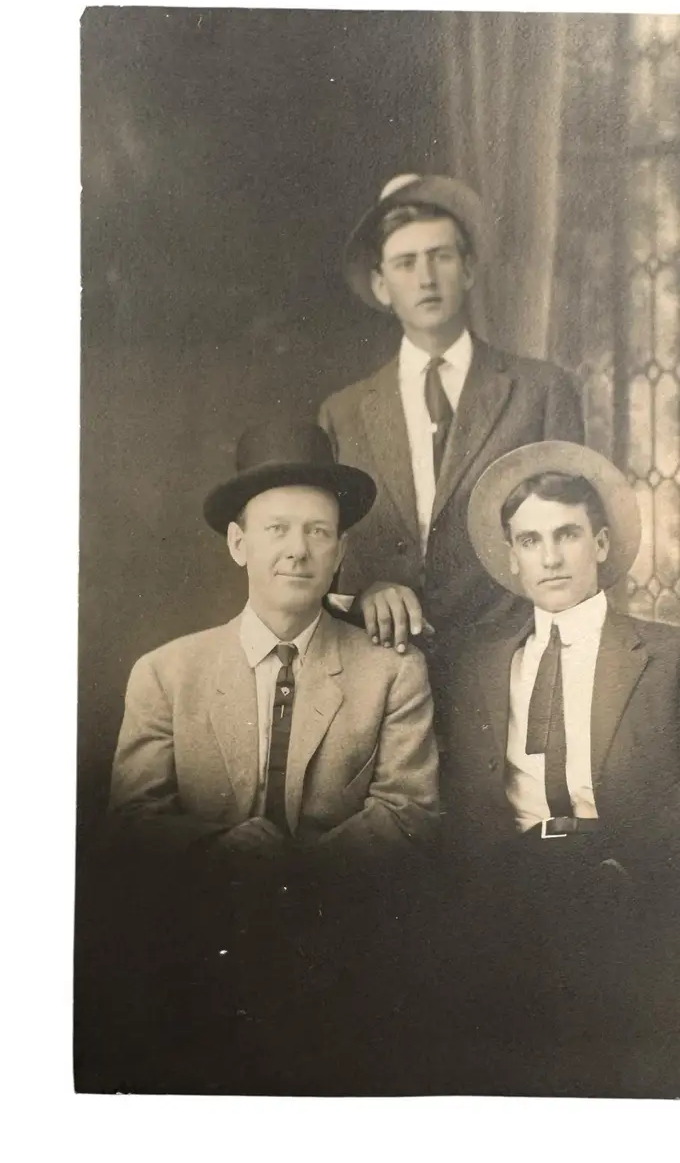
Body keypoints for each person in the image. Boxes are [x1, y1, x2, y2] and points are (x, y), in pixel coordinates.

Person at [103, 419, 440, 1093]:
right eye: (276, 529)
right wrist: (221, 850)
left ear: (341, 550)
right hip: (194, 959)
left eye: (318, 531)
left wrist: (297, 869)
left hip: (343, 959)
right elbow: (132, 823)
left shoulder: (391, 673)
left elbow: (410, 814)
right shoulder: (167, 673)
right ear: (238, 543)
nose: (298, 550)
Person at [434, 440, 680, 1098]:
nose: (550, 556)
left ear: (601, 544)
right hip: (506, 899)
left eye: (567, 534)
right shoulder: (476, 664)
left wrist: (622, 871)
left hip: (628, 894)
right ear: (512, 559)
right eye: (530, 540)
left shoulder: (674, 658)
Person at [318, 173, 585, 702]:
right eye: (405, 263)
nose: (425, 278)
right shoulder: (342, 414)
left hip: (512, 669)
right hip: (382, 674)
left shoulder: (539, 392)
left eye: (440, 256)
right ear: (380, 285)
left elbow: (577, 542)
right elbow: (325, 560)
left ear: (467, 269)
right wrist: (366, 590)